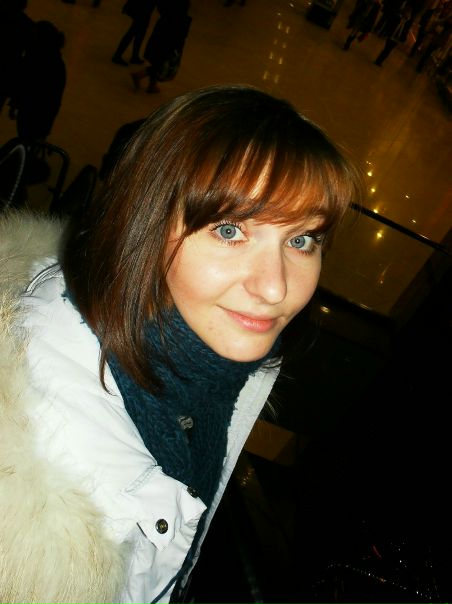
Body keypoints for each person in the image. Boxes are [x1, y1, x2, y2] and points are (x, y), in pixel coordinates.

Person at [0, 84, 363, 604]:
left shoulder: (212, 370)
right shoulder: (37, 478)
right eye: (230, 231)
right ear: (143, 224)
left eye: (301, 240)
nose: (275, 287)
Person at [112, 0, 156, 66]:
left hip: (143, 7)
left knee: (139, 31)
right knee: (135, 31)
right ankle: (118, 55)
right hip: (143, 8)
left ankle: (133, 56)